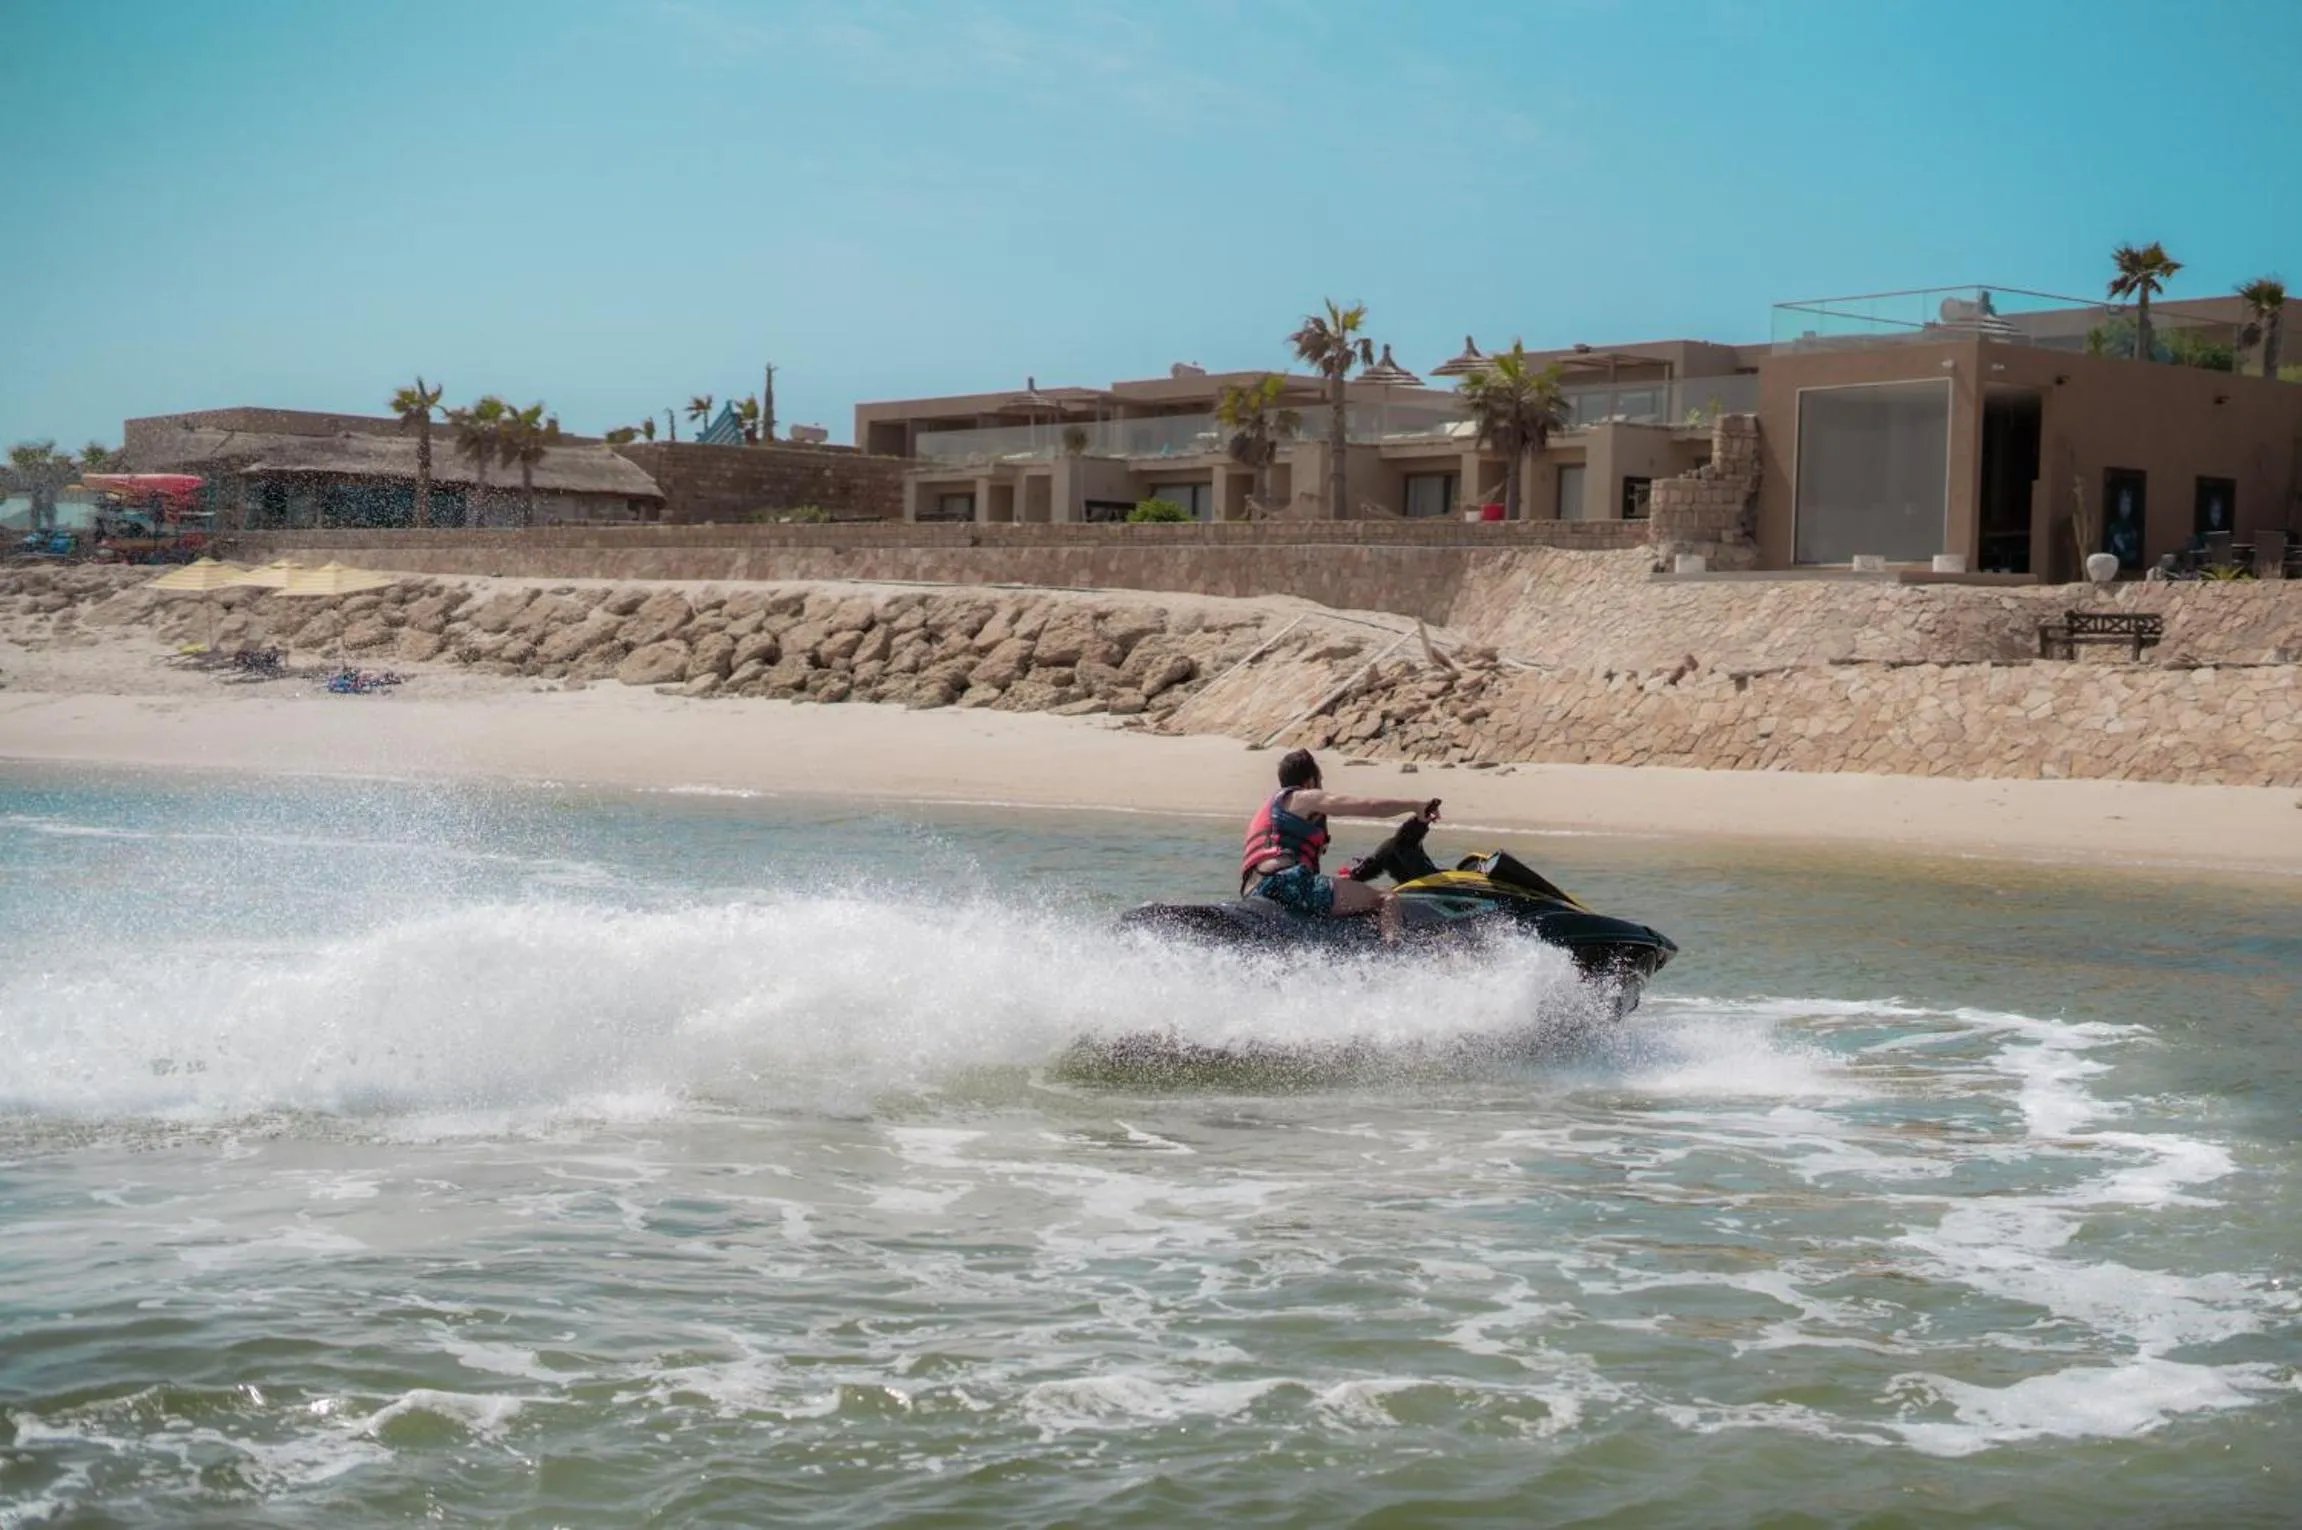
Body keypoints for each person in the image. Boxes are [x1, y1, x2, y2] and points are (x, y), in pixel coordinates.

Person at [1241, 748, 1439, 936]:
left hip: (1253, 889)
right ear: (1311, 781)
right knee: (1386, 897)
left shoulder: (1270, 808)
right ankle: (1395, 958)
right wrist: (1415, 806)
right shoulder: (1306, 797)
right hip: (1287, 884)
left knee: (1340, 889)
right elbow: (1369, 806)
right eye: (1320, 780)